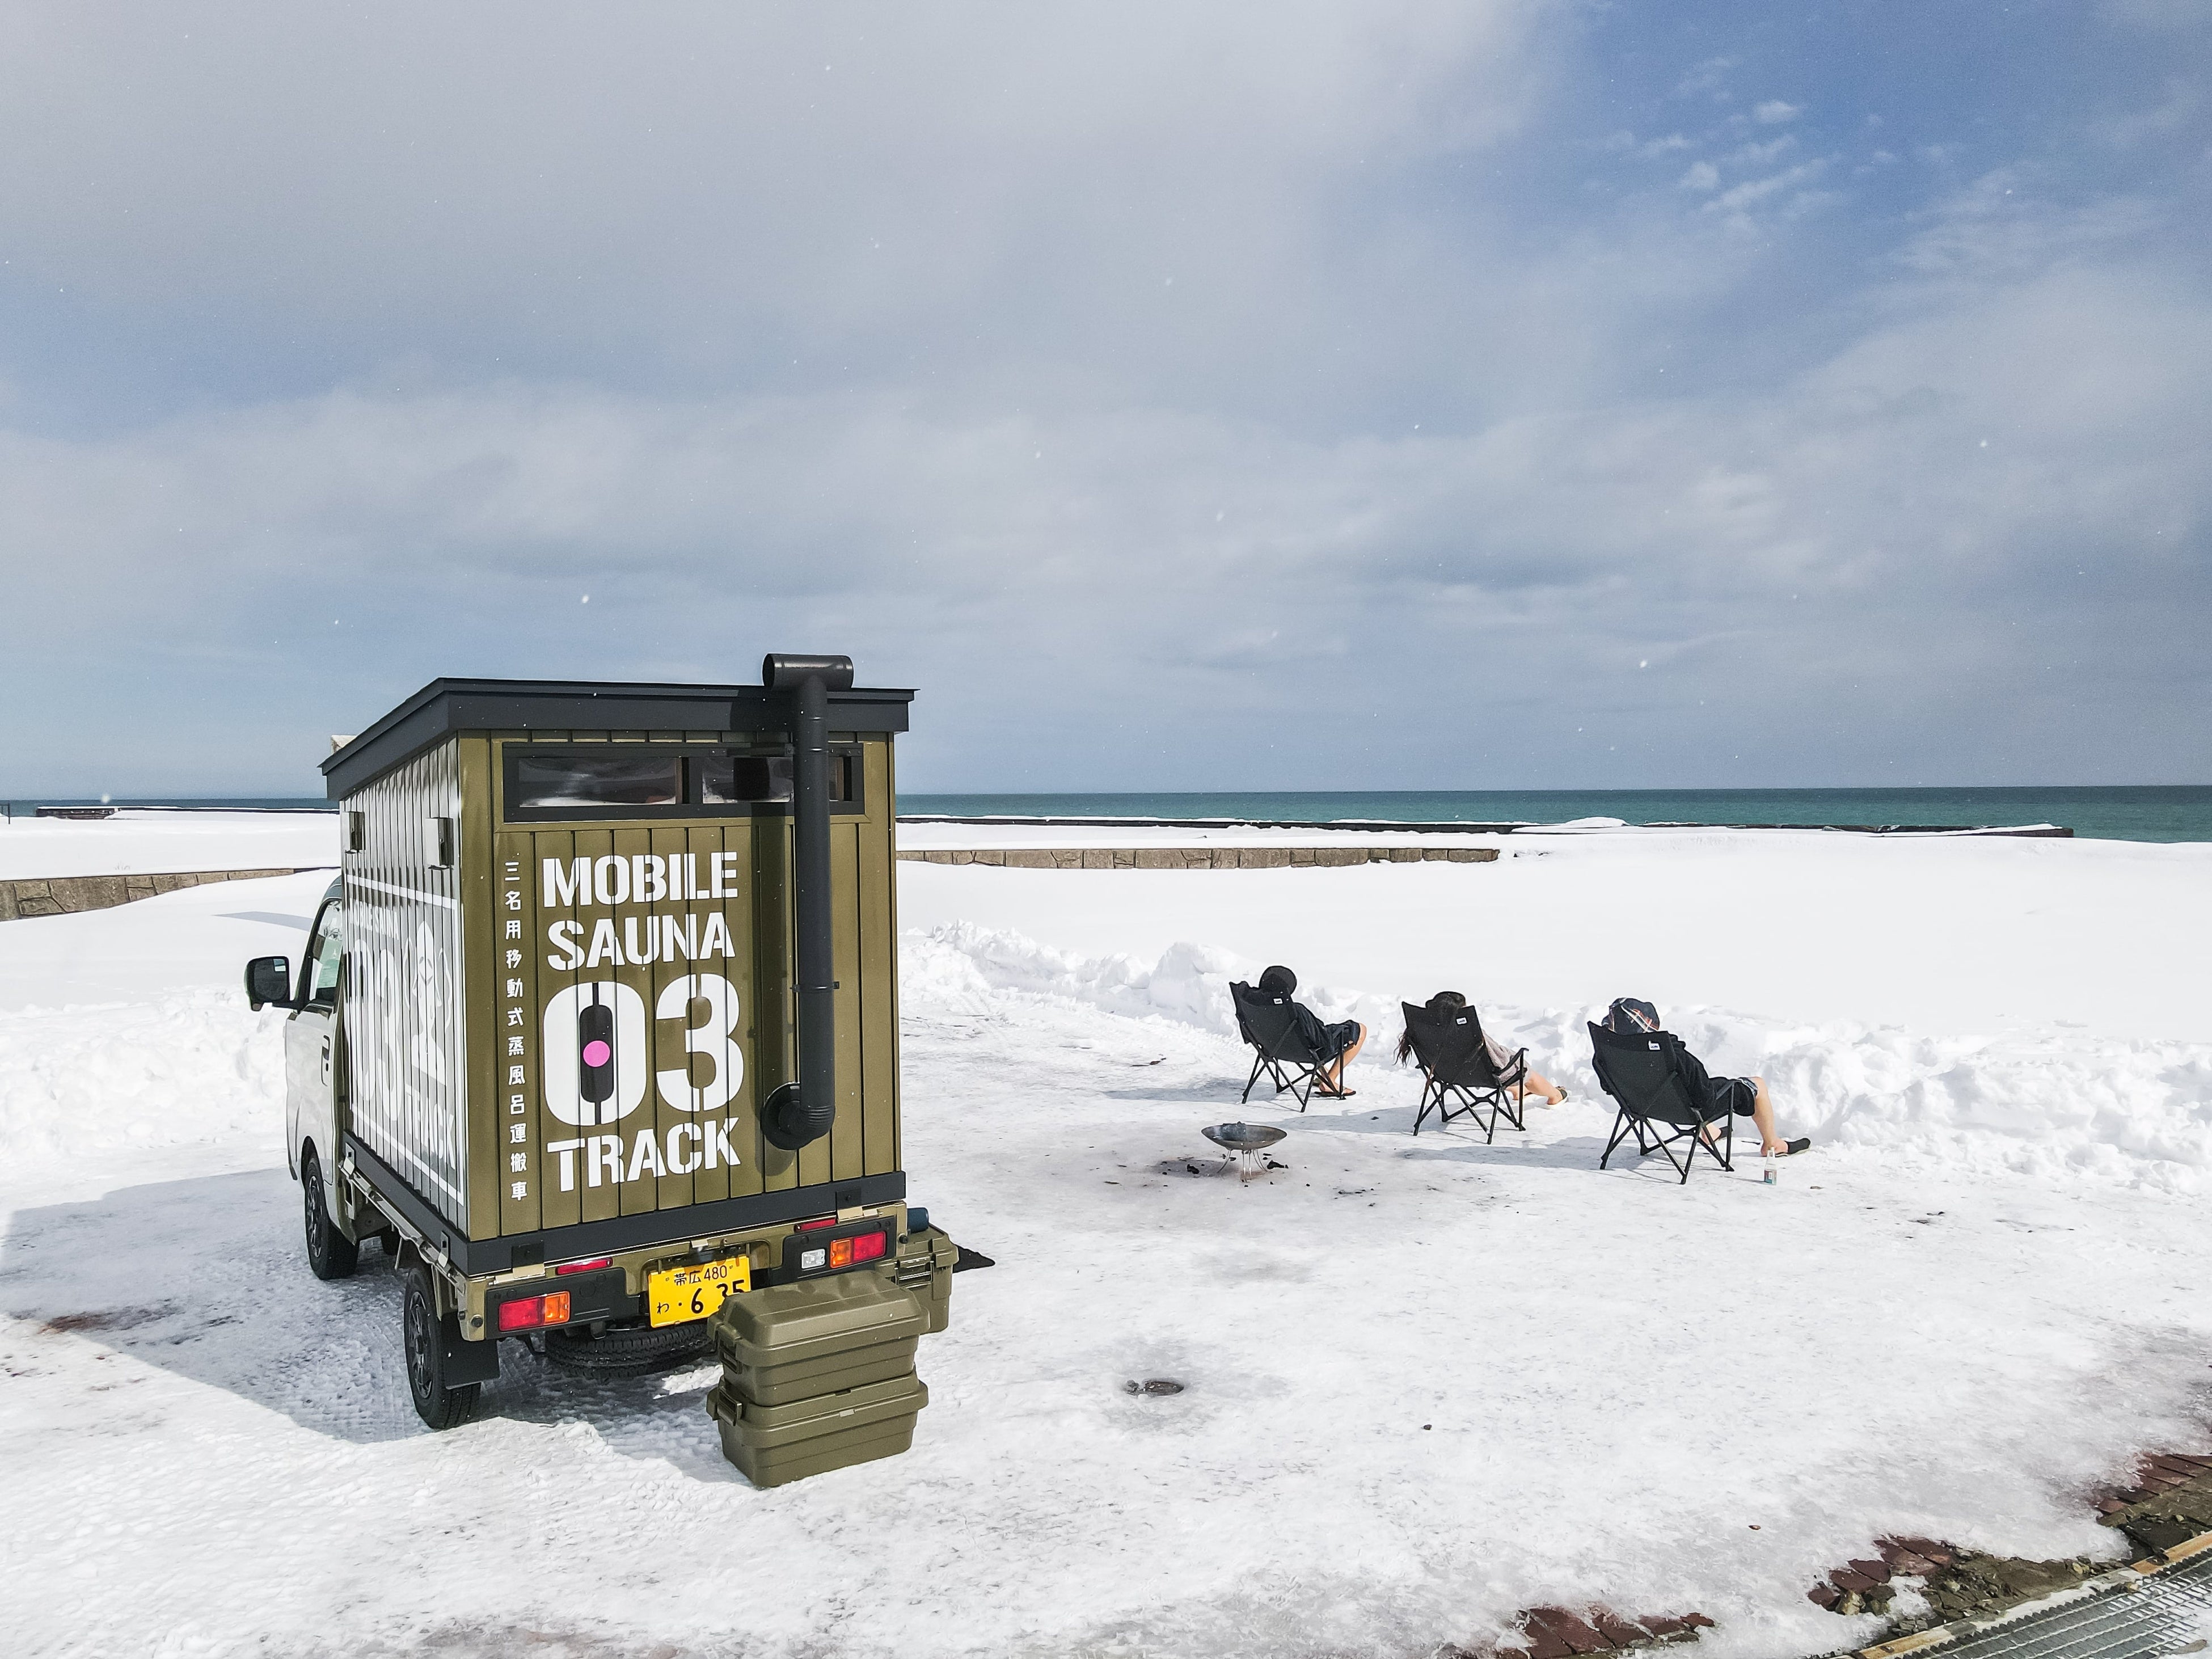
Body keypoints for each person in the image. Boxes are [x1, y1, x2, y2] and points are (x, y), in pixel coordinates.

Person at [1601, 997, 1810, 1157]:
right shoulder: (1671, 1055)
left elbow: (1607, 1087)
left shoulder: (1610, 1052)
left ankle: (1711, 1132)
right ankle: (1772, 1144)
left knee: (1689, 1089)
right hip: (1684, 1110)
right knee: (1756, 1085)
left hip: (1640, 1105)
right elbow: (1705, 1099)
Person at [1395, 990, 1568, 1107]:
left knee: (1488, 1068)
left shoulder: (1426, 1031)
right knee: (1524, 1070)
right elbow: (1498, 1061)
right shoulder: (1467, 1032)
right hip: (1483, 1075)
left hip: (1444, 1074)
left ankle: (1519, 1092)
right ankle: (1555, 1096)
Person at [1256, 965, 1365, 1097]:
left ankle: (1323, 1075)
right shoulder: (1295, 1011)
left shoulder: (1255, 1009)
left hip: (1272, 1049)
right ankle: (1329, 1081)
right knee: (1360, 1029)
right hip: (1304, 1051)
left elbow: (1248, 1037)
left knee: (1306, 1039)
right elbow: (1322, 1041)